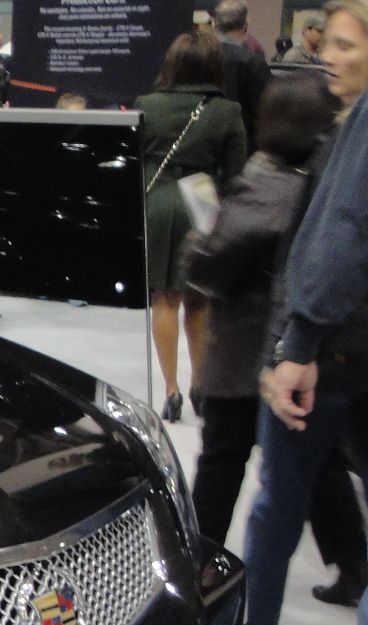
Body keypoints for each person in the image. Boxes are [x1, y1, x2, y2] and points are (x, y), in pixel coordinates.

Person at [185, 77, 365, 603]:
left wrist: (201, 238)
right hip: (309, 351)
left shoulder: (262, 187)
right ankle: (354, 564)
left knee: (220, 461)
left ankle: (200, 565)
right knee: (322, 465)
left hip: (247, 349)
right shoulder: (327, 184)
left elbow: (209, 268)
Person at [259, 0, 368, 625]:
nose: (325, 56)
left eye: (342, 43)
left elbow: (340, 235)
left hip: (340, 349)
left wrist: (296, 344)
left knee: (282, 488)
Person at [136, 31, 246, 421]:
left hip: (158, 202)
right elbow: (237, 176)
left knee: (164, 299)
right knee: (199, 302)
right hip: (202, 201)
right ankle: (200, 384)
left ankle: (171, 390)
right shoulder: (227, 111)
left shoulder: (146, 104)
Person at [212, 0, 272, 144]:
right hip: (242, 144)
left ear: (214, 24)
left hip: (202, 145)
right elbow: (266, 110)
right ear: (245, 26)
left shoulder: (197, 57)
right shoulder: (253, 63)